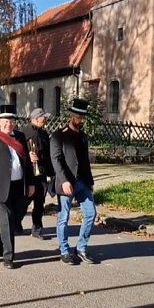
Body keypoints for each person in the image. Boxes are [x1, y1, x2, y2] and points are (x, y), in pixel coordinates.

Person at [0, 104, 35, 269]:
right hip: (0, 188)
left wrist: (31, 183)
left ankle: (1, 238)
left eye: (11, 121)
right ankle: (8, 257)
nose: (8, 124)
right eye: (5, 121)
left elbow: (27, 162)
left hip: (20, 186)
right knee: (6, 221)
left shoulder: (20, 137)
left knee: (14, 220)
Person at [50, 97, 97, 265]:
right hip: (67, 182)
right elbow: (56, 160)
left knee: (91, 213)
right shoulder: (59, 135)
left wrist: (90, 181)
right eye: (78, 117)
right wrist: (63, 180)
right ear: (71, 116)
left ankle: (81, 248)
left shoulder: (83, 137)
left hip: (83, 182)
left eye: (83, 117)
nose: (81, 120)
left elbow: (85, 161)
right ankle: (64, 250)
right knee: (64, 217)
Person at [21, 107, 54, 239]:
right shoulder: (23, 132)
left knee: (39, 203)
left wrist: (51, 172)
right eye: (43, 118)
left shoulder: (44, 133)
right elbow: (18, 149)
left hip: (42, 173)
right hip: (29, 173)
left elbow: (47, 153)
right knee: (24, 202)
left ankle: (37, 229)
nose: (45, 120)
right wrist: (27, 155)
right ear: (35, 118)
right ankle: (15, 224)